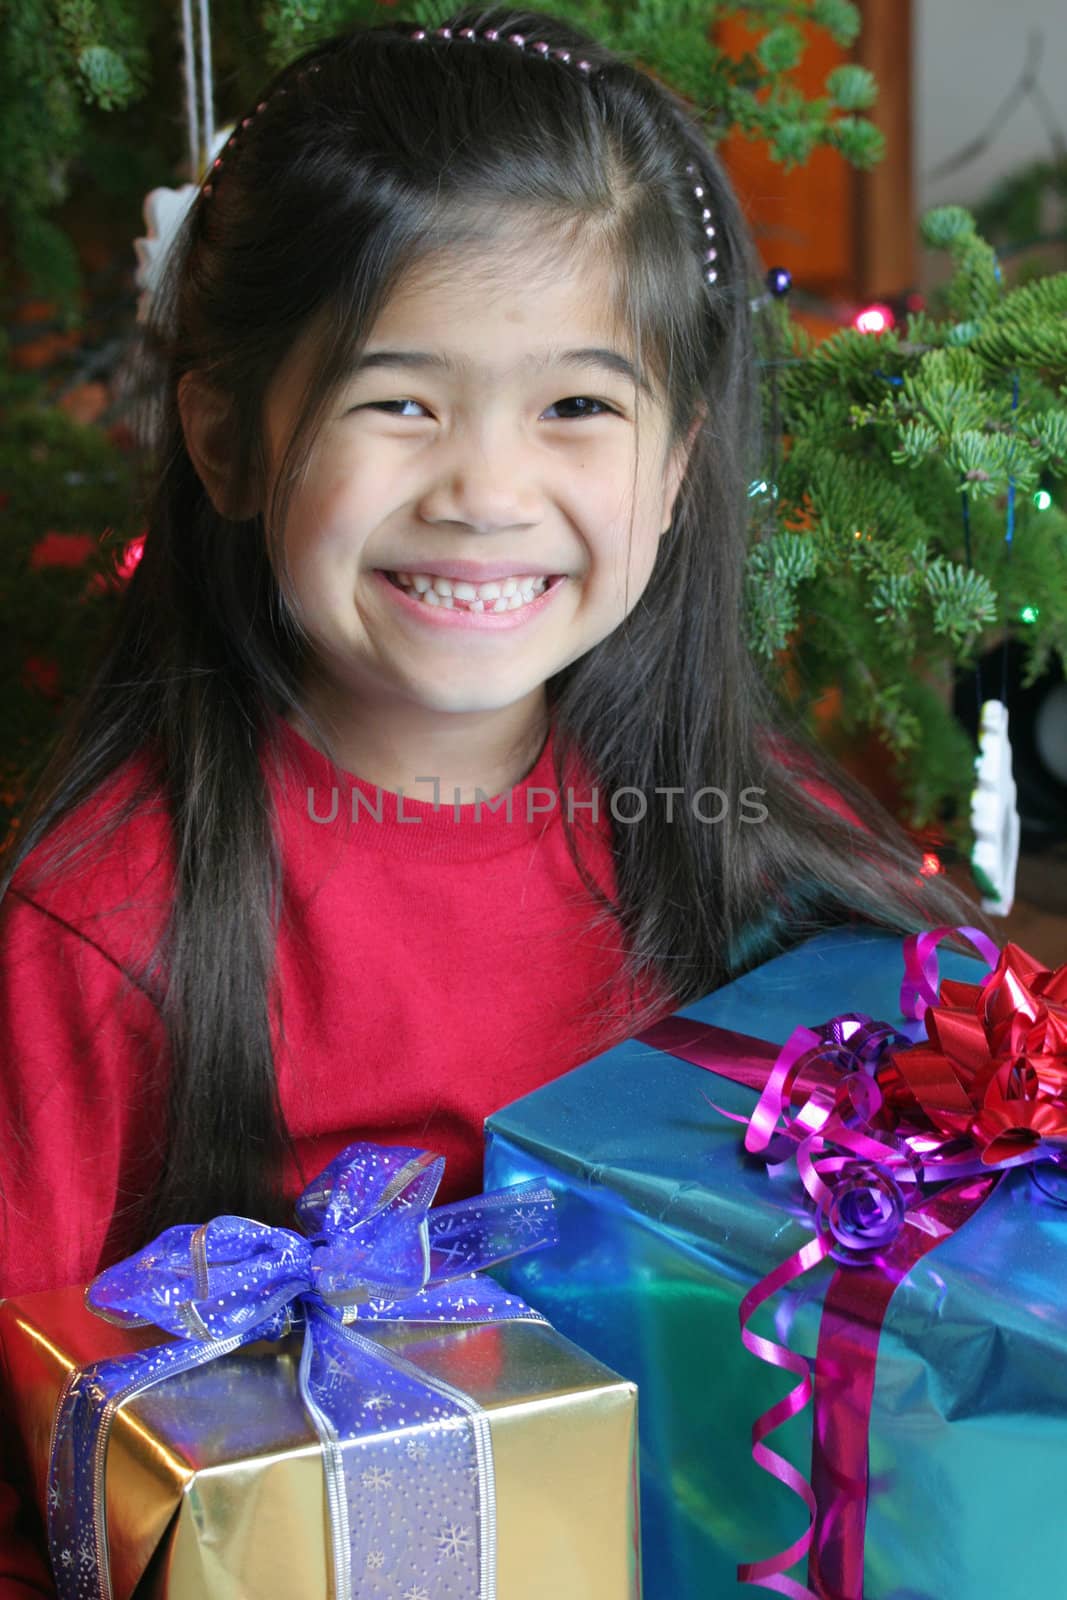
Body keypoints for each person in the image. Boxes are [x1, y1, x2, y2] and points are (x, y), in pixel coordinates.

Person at [0, 7, 990, 1592]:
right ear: (225, 439)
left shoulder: (766, 854)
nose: (484, 491)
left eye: (576, 409)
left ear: (674, 472)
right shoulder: (110, 923)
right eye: (400, 400)